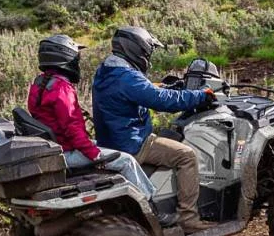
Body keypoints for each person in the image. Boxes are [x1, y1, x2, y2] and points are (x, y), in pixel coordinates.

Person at [28, 35, 172, 223]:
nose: (76, 61)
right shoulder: (62, 88)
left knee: (111, 150)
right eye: (75, 57)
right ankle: (152, 209)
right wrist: (93, 154)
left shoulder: (40, 84)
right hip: (68, 150)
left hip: (58, 146)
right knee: (126, 160)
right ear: (63, 57)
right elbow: (72, 127)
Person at [91, 26, 218, 234]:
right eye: (147, 51)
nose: (148, 56)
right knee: (186, 155)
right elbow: (160, 101)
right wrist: (201, 95)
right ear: (137, 50)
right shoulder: (126, 77)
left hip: (111, 140)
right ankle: (189, 218)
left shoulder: (106, 70)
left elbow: (144, 91)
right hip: (132, 143)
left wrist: (170, 88)